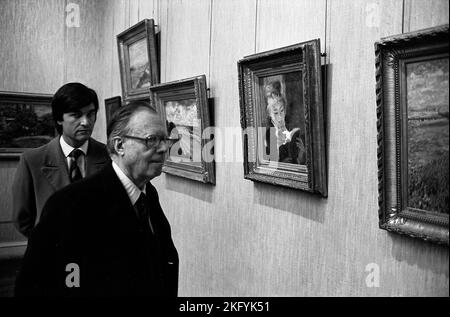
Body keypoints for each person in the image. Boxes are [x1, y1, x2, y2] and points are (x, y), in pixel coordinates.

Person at [14, 103, 179, 296]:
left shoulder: (148, 194)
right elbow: (37, 284)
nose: (163, 149)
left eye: (165, 140)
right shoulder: (70, 203)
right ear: (119, 145)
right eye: (152, 140)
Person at [12, 82, 110, 238]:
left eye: (90, 114)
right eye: (76, 115)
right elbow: (22, 219)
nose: (86, 122)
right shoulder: (32, 160)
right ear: (59, 119)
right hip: (51, 255)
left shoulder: (110, 156)